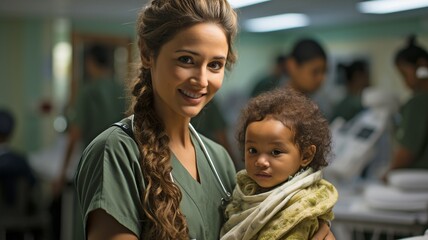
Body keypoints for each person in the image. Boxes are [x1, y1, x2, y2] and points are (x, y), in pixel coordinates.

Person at [74, 1, 336, 239]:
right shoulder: (116, 152)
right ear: (146, 53)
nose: (201, 80)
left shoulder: (218, 159)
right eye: (186, 60)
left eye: (215, 65)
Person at [220, 88, 338, 239]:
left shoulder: (303, 207)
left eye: (275, 152)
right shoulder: (243, 191)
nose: (261, 161)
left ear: (306, 155)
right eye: (253, 150)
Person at [51, 43, 126, 239]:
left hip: (93, 164)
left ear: (91, 63)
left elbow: (74, 134)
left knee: (86, 219)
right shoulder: (122, 91)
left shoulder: (88, 91)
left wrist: (61, 172)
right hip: (120, 165)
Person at [383, 35, 428, 179]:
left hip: (417, 180)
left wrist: (387, 174)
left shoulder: (418, 102)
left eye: (404, 74)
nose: (404, 82)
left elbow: (407, 151)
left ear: (422, 65)